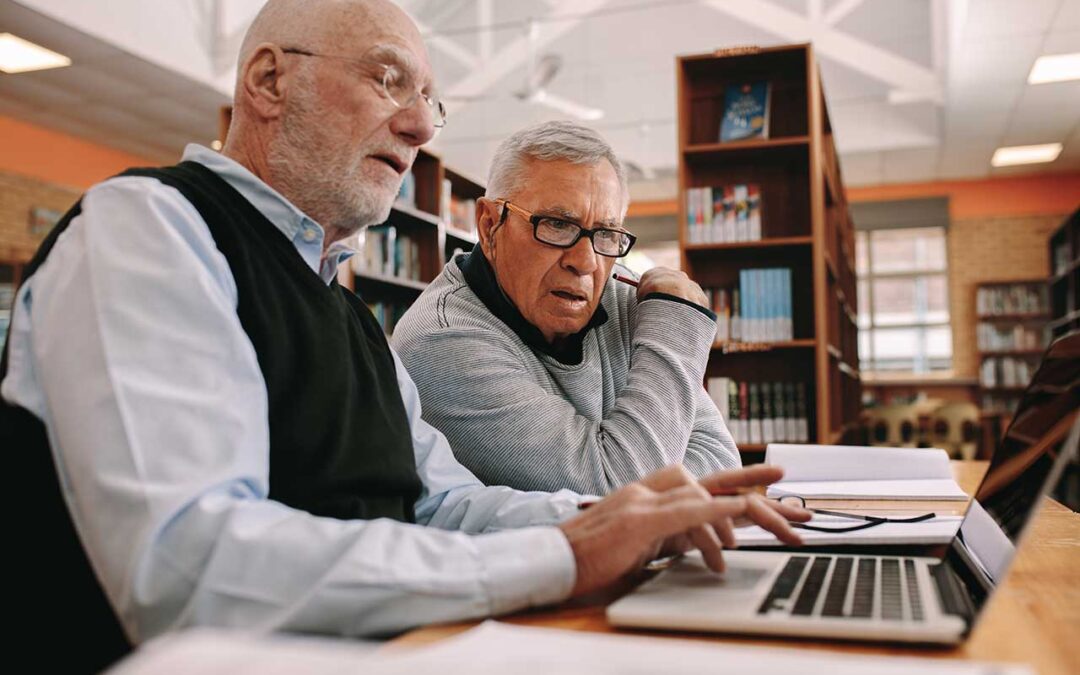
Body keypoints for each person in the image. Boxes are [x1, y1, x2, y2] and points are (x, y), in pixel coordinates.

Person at [0, 0, 805, 670]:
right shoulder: (148, 229)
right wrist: (565, 553)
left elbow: (441, 503)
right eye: (389, 80)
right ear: (269, 80)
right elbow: (188, 566)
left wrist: (621, 516)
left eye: (431, 98)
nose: (422, 125)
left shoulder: (349, 311)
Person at [393, 121, 740, 494]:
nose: (586, 262)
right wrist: (677, 326)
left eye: (606, 234)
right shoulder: (442, 342)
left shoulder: (622, 295)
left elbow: (721, 461)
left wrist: (636, 464)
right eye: (557, 225)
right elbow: (620, 496)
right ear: (489, 225)